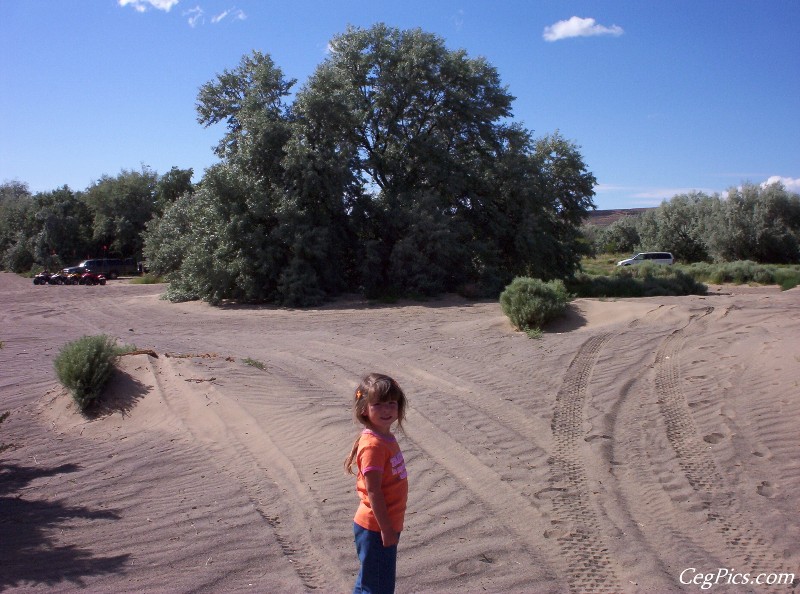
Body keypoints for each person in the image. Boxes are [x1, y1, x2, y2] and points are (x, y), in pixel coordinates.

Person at [344, 373, 408, 594]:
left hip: (383, 525)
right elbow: (374, 492)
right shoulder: (373, 446)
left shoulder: (385, 438)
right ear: (364, 408)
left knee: (369, 581)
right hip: (376, 527)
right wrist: (386, 529)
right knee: (378, 587)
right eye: (378, 404)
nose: (386, 410)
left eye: (392, 403)